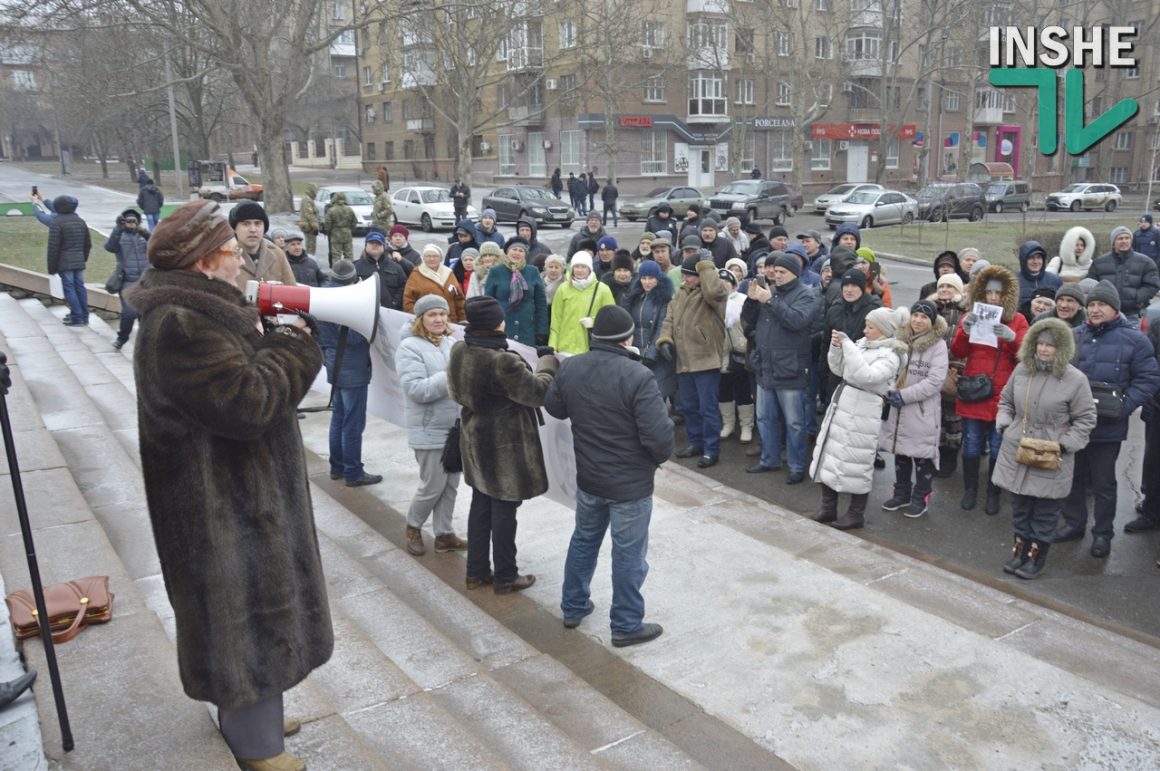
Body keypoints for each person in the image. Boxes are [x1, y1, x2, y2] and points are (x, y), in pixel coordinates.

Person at [124, 199, 330, 771]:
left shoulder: (197, 312)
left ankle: (253, 711)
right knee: (246, 618)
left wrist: (267, 341)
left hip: (236, 494)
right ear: (202, 263)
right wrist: (294, 347)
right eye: (231, 252)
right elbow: (248, 403)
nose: (241, 260)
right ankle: (259, 746)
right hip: (225, 506)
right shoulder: (183, 324)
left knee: (256, 619)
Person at [545, 305, 673, 647]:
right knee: (628, 553)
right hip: (630, 484)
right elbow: (659, 439)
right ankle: (627, 624)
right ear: (627, 337)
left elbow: (555, 407)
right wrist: (654, 458)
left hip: (590, 477)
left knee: (584, 540)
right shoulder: (638, 375)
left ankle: (573, 606)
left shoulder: (572, 367)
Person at [447, 295, 559, 593]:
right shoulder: (502, 361)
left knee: (481, 505)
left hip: (474, 439)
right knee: (504, 511)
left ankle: (476, 572)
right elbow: (537, 393)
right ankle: (506, 577)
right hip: (504, 447)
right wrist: (548, 362)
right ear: (496, 324)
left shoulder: (460, 349)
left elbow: (455, 390)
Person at [1056, 281, 1160, 558]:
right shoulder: (1074, 335)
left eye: (1101, 304)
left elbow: (1149, 378)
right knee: (1073, 477)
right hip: (1074, 425)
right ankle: (1074, 524)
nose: (1095, 309)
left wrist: (1124, 406)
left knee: (1103, 484)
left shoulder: (1134, 339)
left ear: (1114, 308)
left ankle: (1102, 534)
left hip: (1108, 428)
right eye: (1091, 305)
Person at [992, 318, 1096, 579]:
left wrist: (1065, 444)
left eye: (1050, 345)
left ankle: (1035, 559)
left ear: (1061, 347)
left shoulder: (1075, 379)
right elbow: (1005, 401)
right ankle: (1019, 553)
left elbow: (1086, 419)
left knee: (1045, 512)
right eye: (1040, 343)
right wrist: (1005, 423)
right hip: (1020, 446)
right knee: (1021, 506)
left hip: (1051, 451)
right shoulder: (1022, 370)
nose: (1044, 349)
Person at [810, 306, 909, 530]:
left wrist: (847, 346)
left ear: (883, 330)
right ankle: (828, 508)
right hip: (844, 403)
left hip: (865, 409)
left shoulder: (891, 355)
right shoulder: (862, 345)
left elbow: (867, 376)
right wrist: (837, 349)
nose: (865, 330)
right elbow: (839, 369)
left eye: (870, 326)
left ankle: (856, 514)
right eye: (866, 325)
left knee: (858, 461)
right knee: (831, 454)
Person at [952, 265, 1028, 514]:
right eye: (988, 293)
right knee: (972, 444)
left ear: (1006, 295)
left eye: (997, 293)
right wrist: (965, 330)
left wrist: (1012, 337)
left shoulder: (1017, 320)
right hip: (975, 390)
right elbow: (958, 352)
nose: (993, 297)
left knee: (997, 446)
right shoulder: (970, 315)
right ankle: (970, 490)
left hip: (1002, 393)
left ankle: (993, 492)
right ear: (981, 294)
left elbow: (1026, 358)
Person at [396, 294, 468, 557]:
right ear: (420, 319)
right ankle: (413, 526)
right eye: (432, 315)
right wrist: (450, 371)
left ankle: (444, 533)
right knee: (433, 484)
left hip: (454, 427)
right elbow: (416, 390)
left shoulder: (450, 342)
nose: (438, 320)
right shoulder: (409, 347)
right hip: (428, 429)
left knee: (451, 483)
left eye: (442, 314)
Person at [744, 253, 820, 480]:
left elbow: (796, 320)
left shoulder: (807, 295)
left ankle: (797, 467)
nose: (776, 276)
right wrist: (751, 300)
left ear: (795, 273)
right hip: (766, 366)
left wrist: (769, 300)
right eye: (775, 272)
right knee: (765, 419)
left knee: (795, 423)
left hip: (790, 368)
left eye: (782, 272)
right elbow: (747, 320)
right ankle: (770, 459)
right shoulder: (771, 293)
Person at [657, 251, 729, 468]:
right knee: (689, 406)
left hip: (706, 361)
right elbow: (669, 319)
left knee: (708, 408)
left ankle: (711, 450)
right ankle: (696, 443)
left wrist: (707, 266)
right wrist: (665, 339)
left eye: (691, 275)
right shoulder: (679, 293)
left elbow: (714, 291)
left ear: (700, 275)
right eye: (685, 274)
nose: (685, 278)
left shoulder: (714, 294)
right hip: (684, 361)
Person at [880, 301, 949, 518]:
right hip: (897, 408)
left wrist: (904, 395)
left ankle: (921, 496)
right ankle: (901, 493)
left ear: (932, 321)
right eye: (915, 315)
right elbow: (889, 368)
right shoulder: (900, 340)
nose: (918, 320)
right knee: (900, 451)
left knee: (921, 455)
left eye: (924, 317)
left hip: (921, 410)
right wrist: (890, 390)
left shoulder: (938, 346)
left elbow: (935, 381)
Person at [319, 260, 382, 489]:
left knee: (339, 418)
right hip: (352, 367)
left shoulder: (323, 295)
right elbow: (356, 338)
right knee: (353, 423)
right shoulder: (348, 299)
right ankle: (353, 472)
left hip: (333, 363)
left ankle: (337, 467)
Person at [930, 273, 966, 477]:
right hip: (933, 368)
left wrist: (960, 367)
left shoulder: (966, 311)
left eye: (949, 287)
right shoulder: (932, 309)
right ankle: (935, 452)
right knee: (936, 416)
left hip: (955, 368)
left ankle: (950, 455)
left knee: (953, 416)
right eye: (941, 286)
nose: (944, 289)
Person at [1086, 225, 1160, 323]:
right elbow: (1092, 286)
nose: (1124, 241)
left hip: (1134, 314)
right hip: (1106, 315)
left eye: (1127, 238)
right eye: (1120, 238)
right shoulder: (1099, 263)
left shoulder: (1146, 262)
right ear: (1113, 242)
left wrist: (1136, 298)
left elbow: (1152, 285)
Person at [627, 260, 676, 401]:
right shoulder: (636, 298)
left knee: (657, 394)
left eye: (651, 278)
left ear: (658, 279)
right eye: (643, 278)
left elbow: (662, 325)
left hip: (657, 356)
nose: (647, 282)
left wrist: (651, 353)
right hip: (638, 353)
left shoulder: (664, 299)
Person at [485, 238, 548, 346]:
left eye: (521, 251)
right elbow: (488, 303)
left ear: (525, 254)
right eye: (514, 249)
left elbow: (541, 304)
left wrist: (541, 331)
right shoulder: (496, 271)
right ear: (507, 252)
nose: (517, 253)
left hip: (527, 329)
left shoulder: (533, 272)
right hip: (502, 328)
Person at [549, 252, 616, 354]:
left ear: (589, 268)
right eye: (576, 267)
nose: (579, 270)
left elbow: (611, 319)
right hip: (565, 348)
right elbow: (556, 321)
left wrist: (594, 322)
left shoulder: (602, 289)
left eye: (583, 266)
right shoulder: (563, 289)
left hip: (591, 349)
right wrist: (553, 346)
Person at [1129, 318, 1160, 533]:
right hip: (1159, 404)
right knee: (1154, 460)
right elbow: (1151, 364)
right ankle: (1151, 512)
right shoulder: (1158, 325)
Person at [103, 208, 151, 348]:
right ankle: (122, 338)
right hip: (127, 281)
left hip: (145, 280)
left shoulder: (143, 235)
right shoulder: (119, 235)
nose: (131, 223)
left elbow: (157, 243)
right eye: (128, 220)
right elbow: (110, 247)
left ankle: (146, 341)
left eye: (133, 220)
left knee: (146, 313)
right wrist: (118, 228)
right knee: (129, 313)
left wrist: (142, 231)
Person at [230, 201, 297, 291]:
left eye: (258, 223)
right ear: (234, 228)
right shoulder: (225, 255)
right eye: (245, 224)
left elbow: (292, 291)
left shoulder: (276, 254)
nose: (253, 229)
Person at [46, 195, 92, 327]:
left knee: (69, 288)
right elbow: (87, 244)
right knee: (80, 287)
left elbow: (53, 248)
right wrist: (83, 258)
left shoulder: (57, 223)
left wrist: (51, 267)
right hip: (79, 260)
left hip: (64, 262)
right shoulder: (80, 221)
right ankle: (84, 316)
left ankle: (76, 316)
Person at [403, 243, 466, 322]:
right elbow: (408, 301)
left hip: (451, 321)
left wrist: (462, 319)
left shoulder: (449, 273)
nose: (431, 259)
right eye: (428, 256)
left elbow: (459, 298)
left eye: (435, 256)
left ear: (440, 258)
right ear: (423, 258)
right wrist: (418, 320)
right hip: (429, 323)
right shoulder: (416, 275)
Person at [355, 229, 410, 310]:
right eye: (371, 243)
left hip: (390, 311)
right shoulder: (355, 267)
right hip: (363, 311)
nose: (375, 245)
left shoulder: (395, 267)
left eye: (378, 243)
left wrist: (395, 303)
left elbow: (403, 287)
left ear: (384, 246)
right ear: (366, 245)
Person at [1016, 240, 1062, 320]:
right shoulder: (1014, 281)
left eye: (1039, 258)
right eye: (1031, 258)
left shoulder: (1055, 280)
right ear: (1023, 260)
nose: (1036, 262)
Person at [323, 192, 357, 264]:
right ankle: (350, 270)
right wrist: (351, 230)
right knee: (349, 255)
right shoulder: (349, 209)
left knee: (336, 256)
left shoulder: (331, 210)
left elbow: (327, 224)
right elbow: (354, 222)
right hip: (347, 234)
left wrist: (329, 231)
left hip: (335, 235)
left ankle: (337, 272)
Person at [299, 183, 321, 257]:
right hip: (309, 227)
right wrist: (315, 226)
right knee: (311, 247)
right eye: (316, 191)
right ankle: (310, 260)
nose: (316, 193)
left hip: (309, 226)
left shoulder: (309, 199)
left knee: (310, 246)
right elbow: (309, 214)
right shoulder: (307, 200)